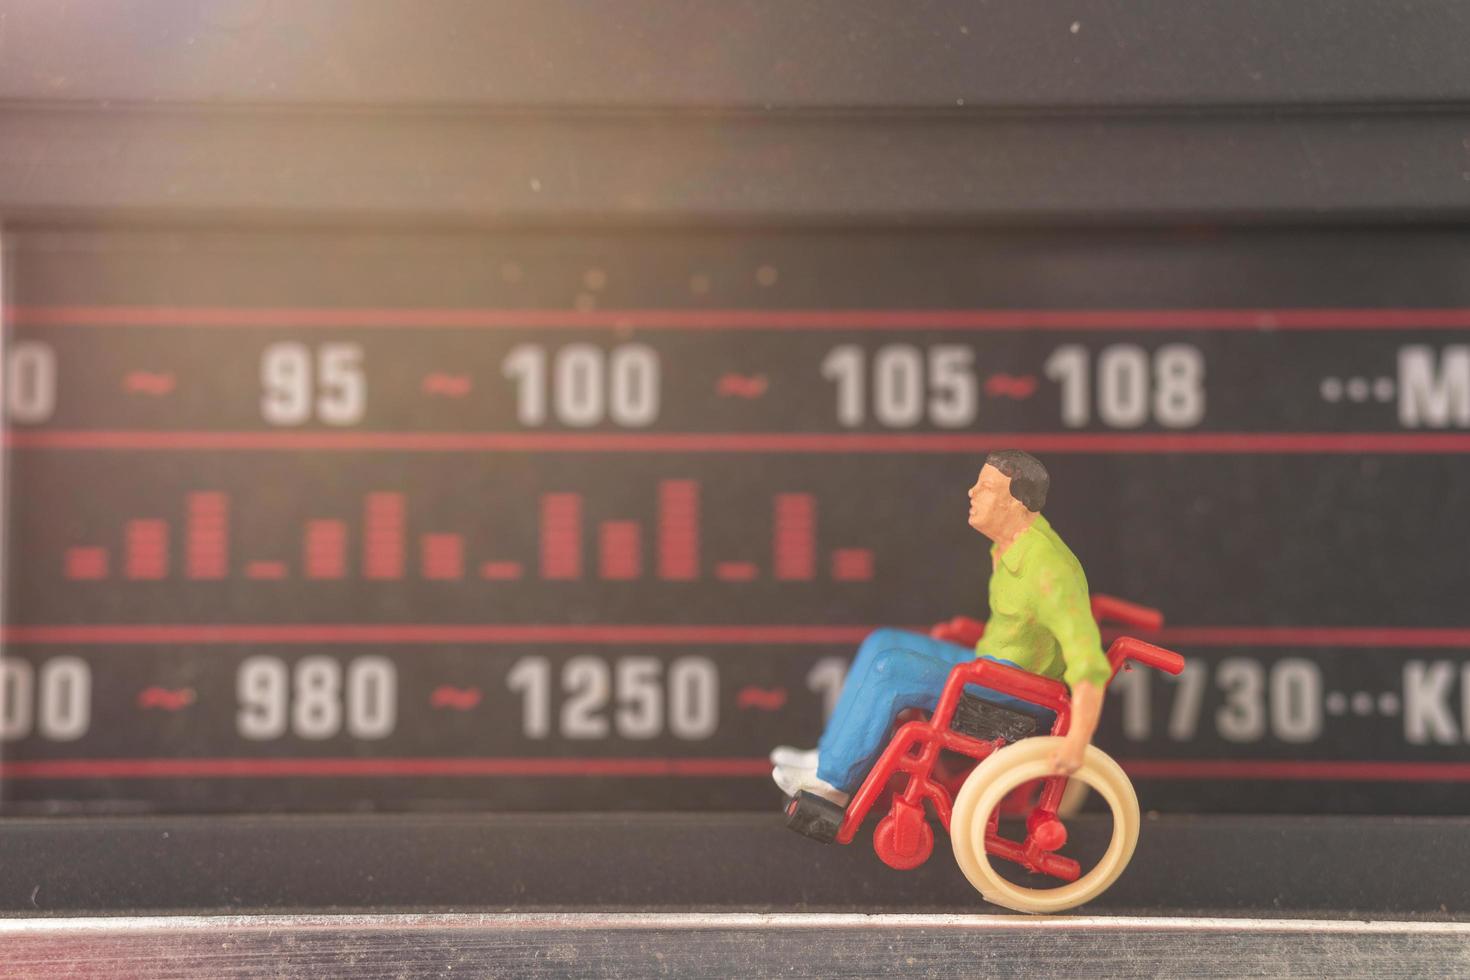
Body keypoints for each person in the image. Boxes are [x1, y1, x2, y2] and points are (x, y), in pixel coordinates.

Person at [770, 450, 1112, 806]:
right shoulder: (1009, 545)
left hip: (1020, 694)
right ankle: (828, 757)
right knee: (881, 640)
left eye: (986, 488)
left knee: (892, 670)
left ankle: (832, 785)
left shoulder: (1048, 571)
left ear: (1016, 504)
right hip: (991, 664)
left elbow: (1088, 663)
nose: (971, 492)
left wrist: (1077, 744)